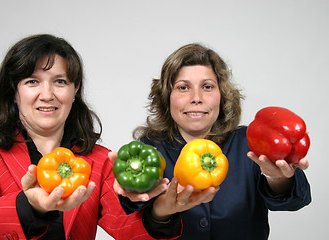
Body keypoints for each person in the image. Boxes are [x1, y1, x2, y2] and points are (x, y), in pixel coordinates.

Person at [0, 34, 182, 240]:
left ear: (75, 90)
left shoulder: (100, 162)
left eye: (60, 81)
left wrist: (159, 214)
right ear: (14, 92)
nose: (47, 95)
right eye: (32, 81)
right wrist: (30, 207)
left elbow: (132, 232)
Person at [114, 43, 312, 240]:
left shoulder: (250, 143)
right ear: (167, 97)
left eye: (207, 87)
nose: (196, 98)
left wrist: (278, 178)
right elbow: (144, 226)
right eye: (183, 88)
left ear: (222, 95)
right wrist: (160, 209)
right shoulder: (150, 149)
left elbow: (294, 201)